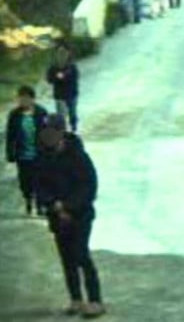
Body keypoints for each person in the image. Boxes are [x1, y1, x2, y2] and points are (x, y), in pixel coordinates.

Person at [37, 114, 105, 319]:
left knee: (81, 254)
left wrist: (68, 206)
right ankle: (75, 299)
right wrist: (53, 204)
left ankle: (95, 300)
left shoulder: (78, 155)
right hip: (56, 215)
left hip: (80, 214)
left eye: (52, 132)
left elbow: (89, 186)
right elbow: (38, 185)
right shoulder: (42, 157)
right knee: (66, 258)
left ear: (61, 133)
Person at [5, 85, 49, 216]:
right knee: (25, 180)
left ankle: (40, 205)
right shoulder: (14, 115)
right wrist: (10, 152)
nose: (23, 101)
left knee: (40, 180)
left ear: (32, 99)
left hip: (39, 154)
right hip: (22, 155)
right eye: (20, 98)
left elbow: (48, 133)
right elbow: (10, 135)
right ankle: (28, 200)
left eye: (26, 98)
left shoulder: (41, 113)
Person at [46, 42, 81, 133]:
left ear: (68, 53)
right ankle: (63, 131)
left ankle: (74, 129)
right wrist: (56, 77)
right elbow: (49, 79)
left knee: (72, 113)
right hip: (59, 95)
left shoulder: (71, 66)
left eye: (64, 52)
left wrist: (65, 76)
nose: (62, 54)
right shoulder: (53, 67)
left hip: (71, 94)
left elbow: (76, 77)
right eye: (60, 52)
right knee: (61, 115)